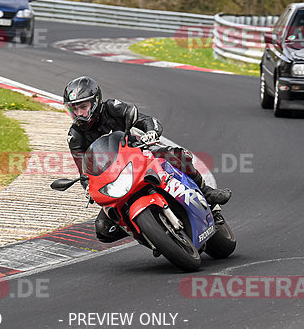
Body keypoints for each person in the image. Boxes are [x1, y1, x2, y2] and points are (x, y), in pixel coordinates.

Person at [63, 76, 232, 243]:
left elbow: (145, 120)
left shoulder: (112, 107)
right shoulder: (75, 136)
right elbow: (84, 171)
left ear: (96, 102)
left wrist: (151, 131)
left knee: (175, 155)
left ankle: (206, 192)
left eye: (83, 107)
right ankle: (148, 233)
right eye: (74, 109)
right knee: (103, 229)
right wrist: (88, 188)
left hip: (137, 153)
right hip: (113, 177)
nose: (79, 114)